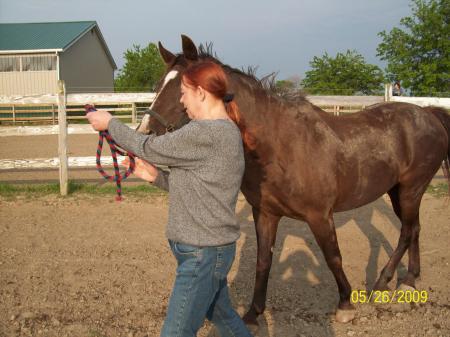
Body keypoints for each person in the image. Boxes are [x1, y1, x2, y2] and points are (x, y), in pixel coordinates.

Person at [87, 61, 253, 337]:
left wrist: (110, 123)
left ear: (201, 93)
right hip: (207, 250)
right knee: (225, 319)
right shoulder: (222, 131)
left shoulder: (206, 132)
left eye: (184, 92)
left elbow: (146, 146)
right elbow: (203, 187)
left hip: (202, 253)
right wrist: (157, 178)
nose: (181, 99)